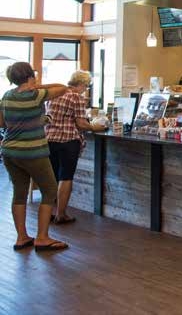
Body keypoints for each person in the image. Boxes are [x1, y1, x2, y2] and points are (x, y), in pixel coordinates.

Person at [0, 62, 69, 252]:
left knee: (19, 192)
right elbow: (63, 88)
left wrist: (30, 121)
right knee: (49, 190)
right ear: (30, 77)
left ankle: (22, 237)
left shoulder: (6, 96)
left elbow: (3, 123)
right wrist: (37, 86)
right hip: (33, 152)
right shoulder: (35, 95)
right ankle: (42, 237)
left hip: (10, 151)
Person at [46, 70, 107, 224]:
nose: (85, 90)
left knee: (52, 177)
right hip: (68, 141)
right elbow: (81, 123)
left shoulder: (53, 94)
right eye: (86, 87)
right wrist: (95, 127)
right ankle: (61, 214)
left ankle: (47, 213)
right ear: (81, 84)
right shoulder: (76, 97)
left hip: (49, 139)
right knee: (65, 177)